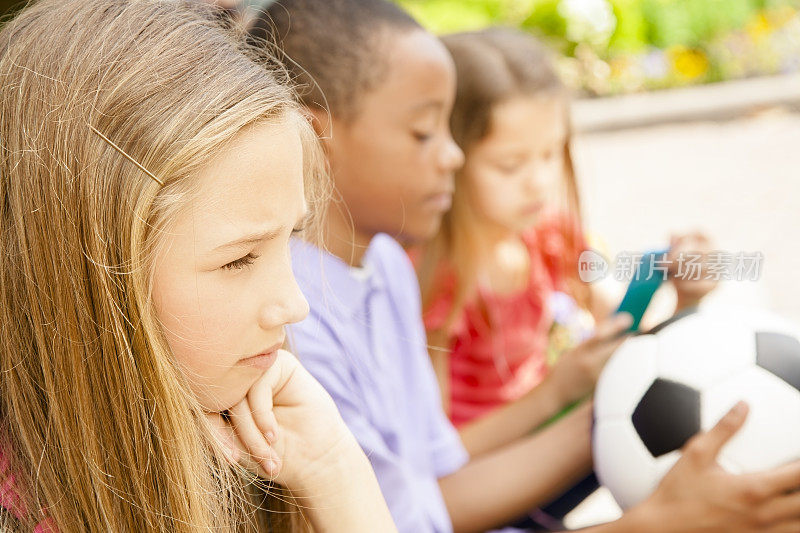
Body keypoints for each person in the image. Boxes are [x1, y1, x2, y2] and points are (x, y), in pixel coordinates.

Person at [251, 1, 800, 532]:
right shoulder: (292, 319)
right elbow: (408, 517)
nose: (453, 156)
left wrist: (665, 333)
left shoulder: (385, 263)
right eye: (424, 133)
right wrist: (660, 524)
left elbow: (435, 466)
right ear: (317, 136)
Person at [0, 1, 395, 531]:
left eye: (290, 241)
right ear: (84, 270)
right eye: (239, 259)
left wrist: (333, 468)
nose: (295, 305)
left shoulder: (239, 448)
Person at [415, 28, 717, 435]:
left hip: (547, 428)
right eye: (510, 164)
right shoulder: (432, 279)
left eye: (550, 153)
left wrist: (682, 295)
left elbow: (626, 333)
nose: (539, 182)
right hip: (484, 469)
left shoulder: (548, 235)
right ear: (450, 155)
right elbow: (436, 453)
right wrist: (555, 394)